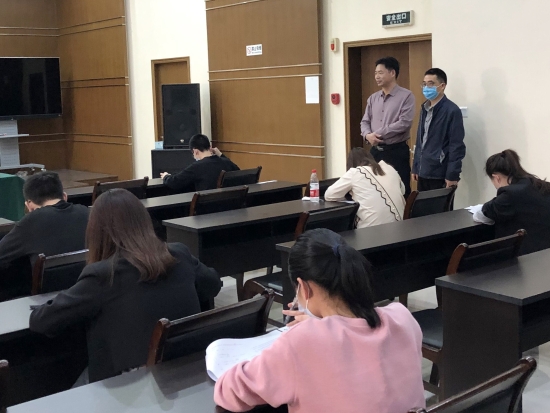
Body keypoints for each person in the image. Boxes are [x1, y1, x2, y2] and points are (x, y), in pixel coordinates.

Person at [214, 229, 425, 413]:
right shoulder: (402, 317)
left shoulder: (301, 342)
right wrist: (324, 325)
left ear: (304, 287)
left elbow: (230, 392)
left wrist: (313, 331)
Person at [29, 189, 222, 383]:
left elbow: (41, 321)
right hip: (188, 369)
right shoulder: (178, 253)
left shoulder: (102, 275)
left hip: (132, 384)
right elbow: (213, 284)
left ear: (97, 231)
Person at [0, 172, 89, 300]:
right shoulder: (87, 213)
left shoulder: (31, 221)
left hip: (47, 302)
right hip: (87, 293)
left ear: (29, 205)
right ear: (64, 196)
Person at [473, 149, 550, 255]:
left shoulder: (509, 194)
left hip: (525, 256)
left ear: (496, 177)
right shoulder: (540, 185)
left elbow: (482, 214)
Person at [361, 56, 415, 197]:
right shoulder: (373, 98)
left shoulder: (406, 96)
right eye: (375, 73)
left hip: (396, 152)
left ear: (392, 73)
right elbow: (364, 122)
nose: (377, 76)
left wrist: (378, 133)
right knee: (374, 190)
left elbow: (404, 123)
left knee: (399, 191)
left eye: (380, 72)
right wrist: (367, 135)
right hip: (375, 152)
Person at [412, 68, 466, 191]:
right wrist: (416, 166)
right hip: (423, 170)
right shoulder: (424, 108)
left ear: (442, 86)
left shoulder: (452, 110)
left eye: (431, 84)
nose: (426, 87)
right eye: (424, 84)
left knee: (440, 204)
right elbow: (420, 140)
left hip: (440, 172)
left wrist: (452, 174)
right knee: (423, 203)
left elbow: (456, 145)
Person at [324, 148, 405, 227]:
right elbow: (403, 190)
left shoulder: (355, 172)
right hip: (399, 226)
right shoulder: (388, 168)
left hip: (371, 230)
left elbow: (329, 195)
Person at [160, 134, 239, 192]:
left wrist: (166, 176)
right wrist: (221, 155)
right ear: (210, 147)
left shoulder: (197, 167)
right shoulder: (226, 162)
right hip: (228, 205)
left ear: (195, 151)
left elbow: (175, 182)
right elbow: (239, 172)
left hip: (207, 207)